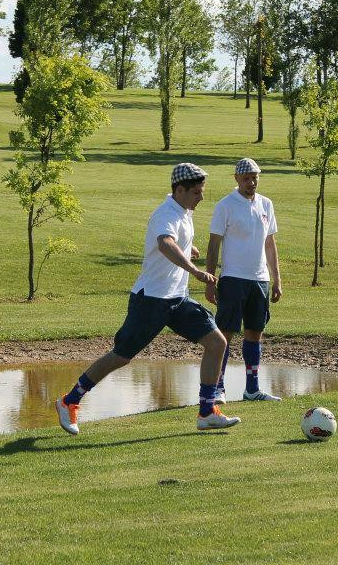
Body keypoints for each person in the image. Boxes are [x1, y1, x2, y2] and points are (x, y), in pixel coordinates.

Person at [55, 163, 240, 435]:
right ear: (180, 189)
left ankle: (207, 411)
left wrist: (189, 250)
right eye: (197, 192)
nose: (202, 197)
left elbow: (175, 243)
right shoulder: (165, 213)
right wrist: (194, 270)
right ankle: (69, 400)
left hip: (177, 300)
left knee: (217, 342)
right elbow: (165, 244)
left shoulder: (184, 210)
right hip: (151, 301)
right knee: (121, 356)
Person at [205, 158, 283, 403]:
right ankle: (218, 388)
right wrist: (210, 280)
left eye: (255, 177)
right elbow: (213, 244)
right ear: (237, 179)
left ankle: (252, 389)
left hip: (260, 280)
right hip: (232, 279)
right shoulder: (225, 206)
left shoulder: (266, 204)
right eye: (247, 178)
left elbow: (270, 245)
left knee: (254, 333)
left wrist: (277, 279)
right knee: (225, 334)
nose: (251, 182)